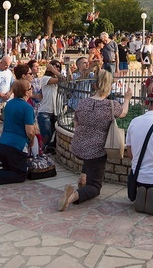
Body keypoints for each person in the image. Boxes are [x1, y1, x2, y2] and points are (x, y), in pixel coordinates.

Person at [59, 70, 131, 211]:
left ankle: (83, 177)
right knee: (95, 187)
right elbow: (124, 113)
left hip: (79, 145)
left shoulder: (82, 103)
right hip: (96, 149)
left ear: (96, 85)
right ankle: (72, 196)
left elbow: (76, 123)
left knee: (89, 156)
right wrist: (127, 98)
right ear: (109, 86)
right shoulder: (111, 105)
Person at [38, 60, 64, 152]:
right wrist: (52, 69)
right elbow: (61, 78)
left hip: (56, 111)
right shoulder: (45, 78)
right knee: (46, 136)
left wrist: (54, 69)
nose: (57, 68)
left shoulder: (57, 79)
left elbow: (66, 79)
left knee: (52, 135)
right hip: (45, 111)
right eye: (55, 66)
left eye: (59, 67)